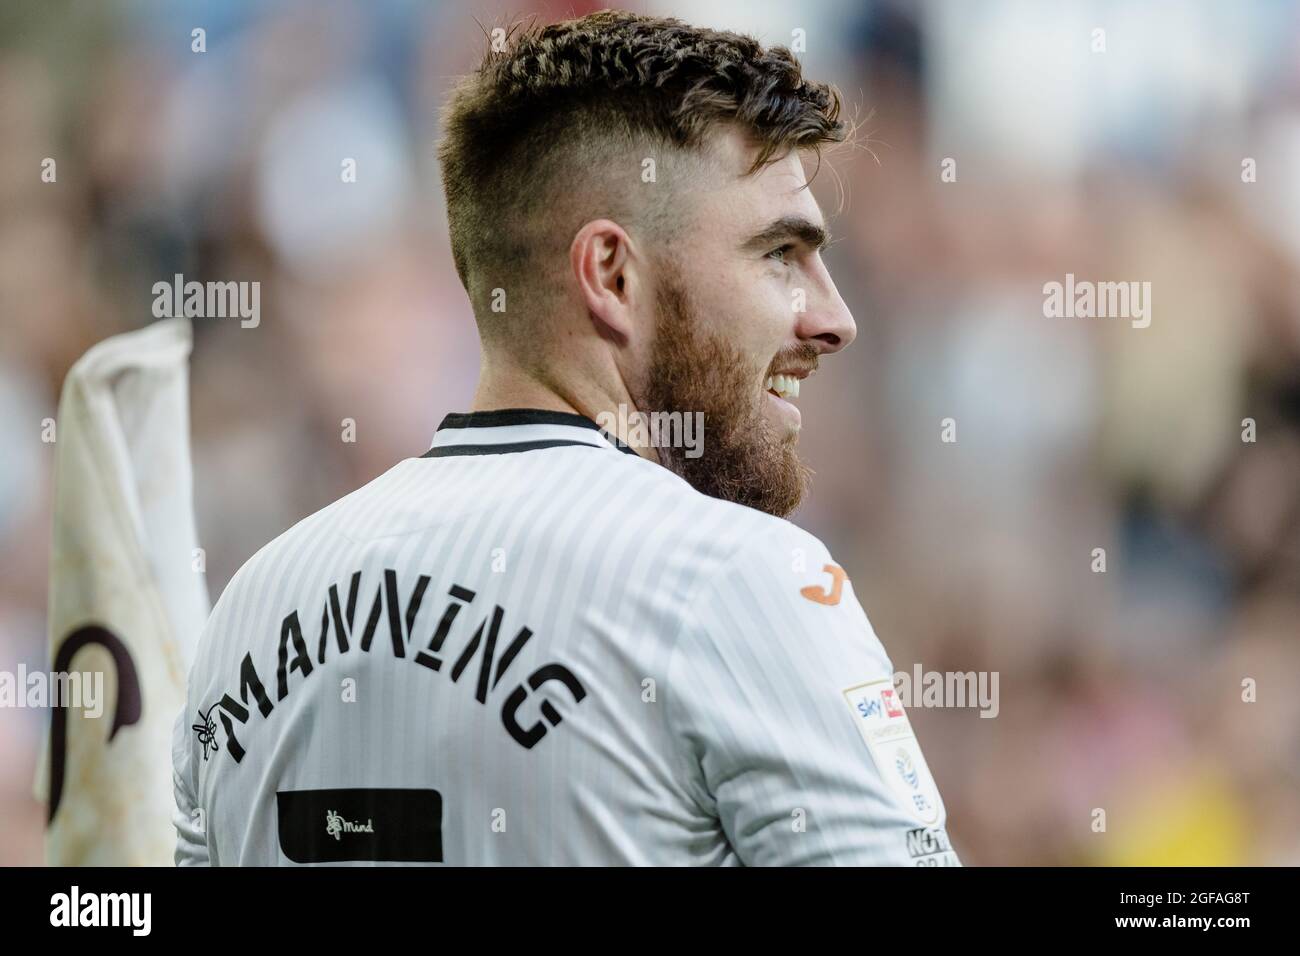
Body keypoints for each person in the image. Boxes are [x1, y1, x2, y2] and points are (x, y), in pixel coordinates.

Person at [173, 9, 959, 866]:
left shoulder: (248, 613)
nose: (834, 318)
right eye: (780, 253)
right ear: (613, 276)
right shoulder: (739, 580)